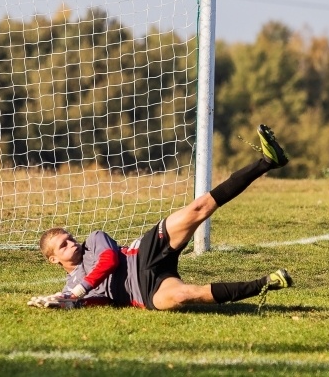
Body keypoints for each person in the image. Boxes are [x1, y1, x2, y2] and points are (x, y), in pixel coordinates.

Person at [29, 124, 293, 311]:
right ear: (53, 260)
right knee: (186, 295)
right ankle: (266, 283)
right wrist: (75, 302)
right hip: (144, 291)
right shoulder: (71, 286)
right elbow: (105, 301)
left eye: (70, 238)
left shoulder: (94, 241)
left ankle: (268, 162)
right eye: (63, 245)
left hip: (145, 252)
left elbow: (109, 261)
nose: (72, 243)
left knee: (198, 208)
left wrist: (77, 293)